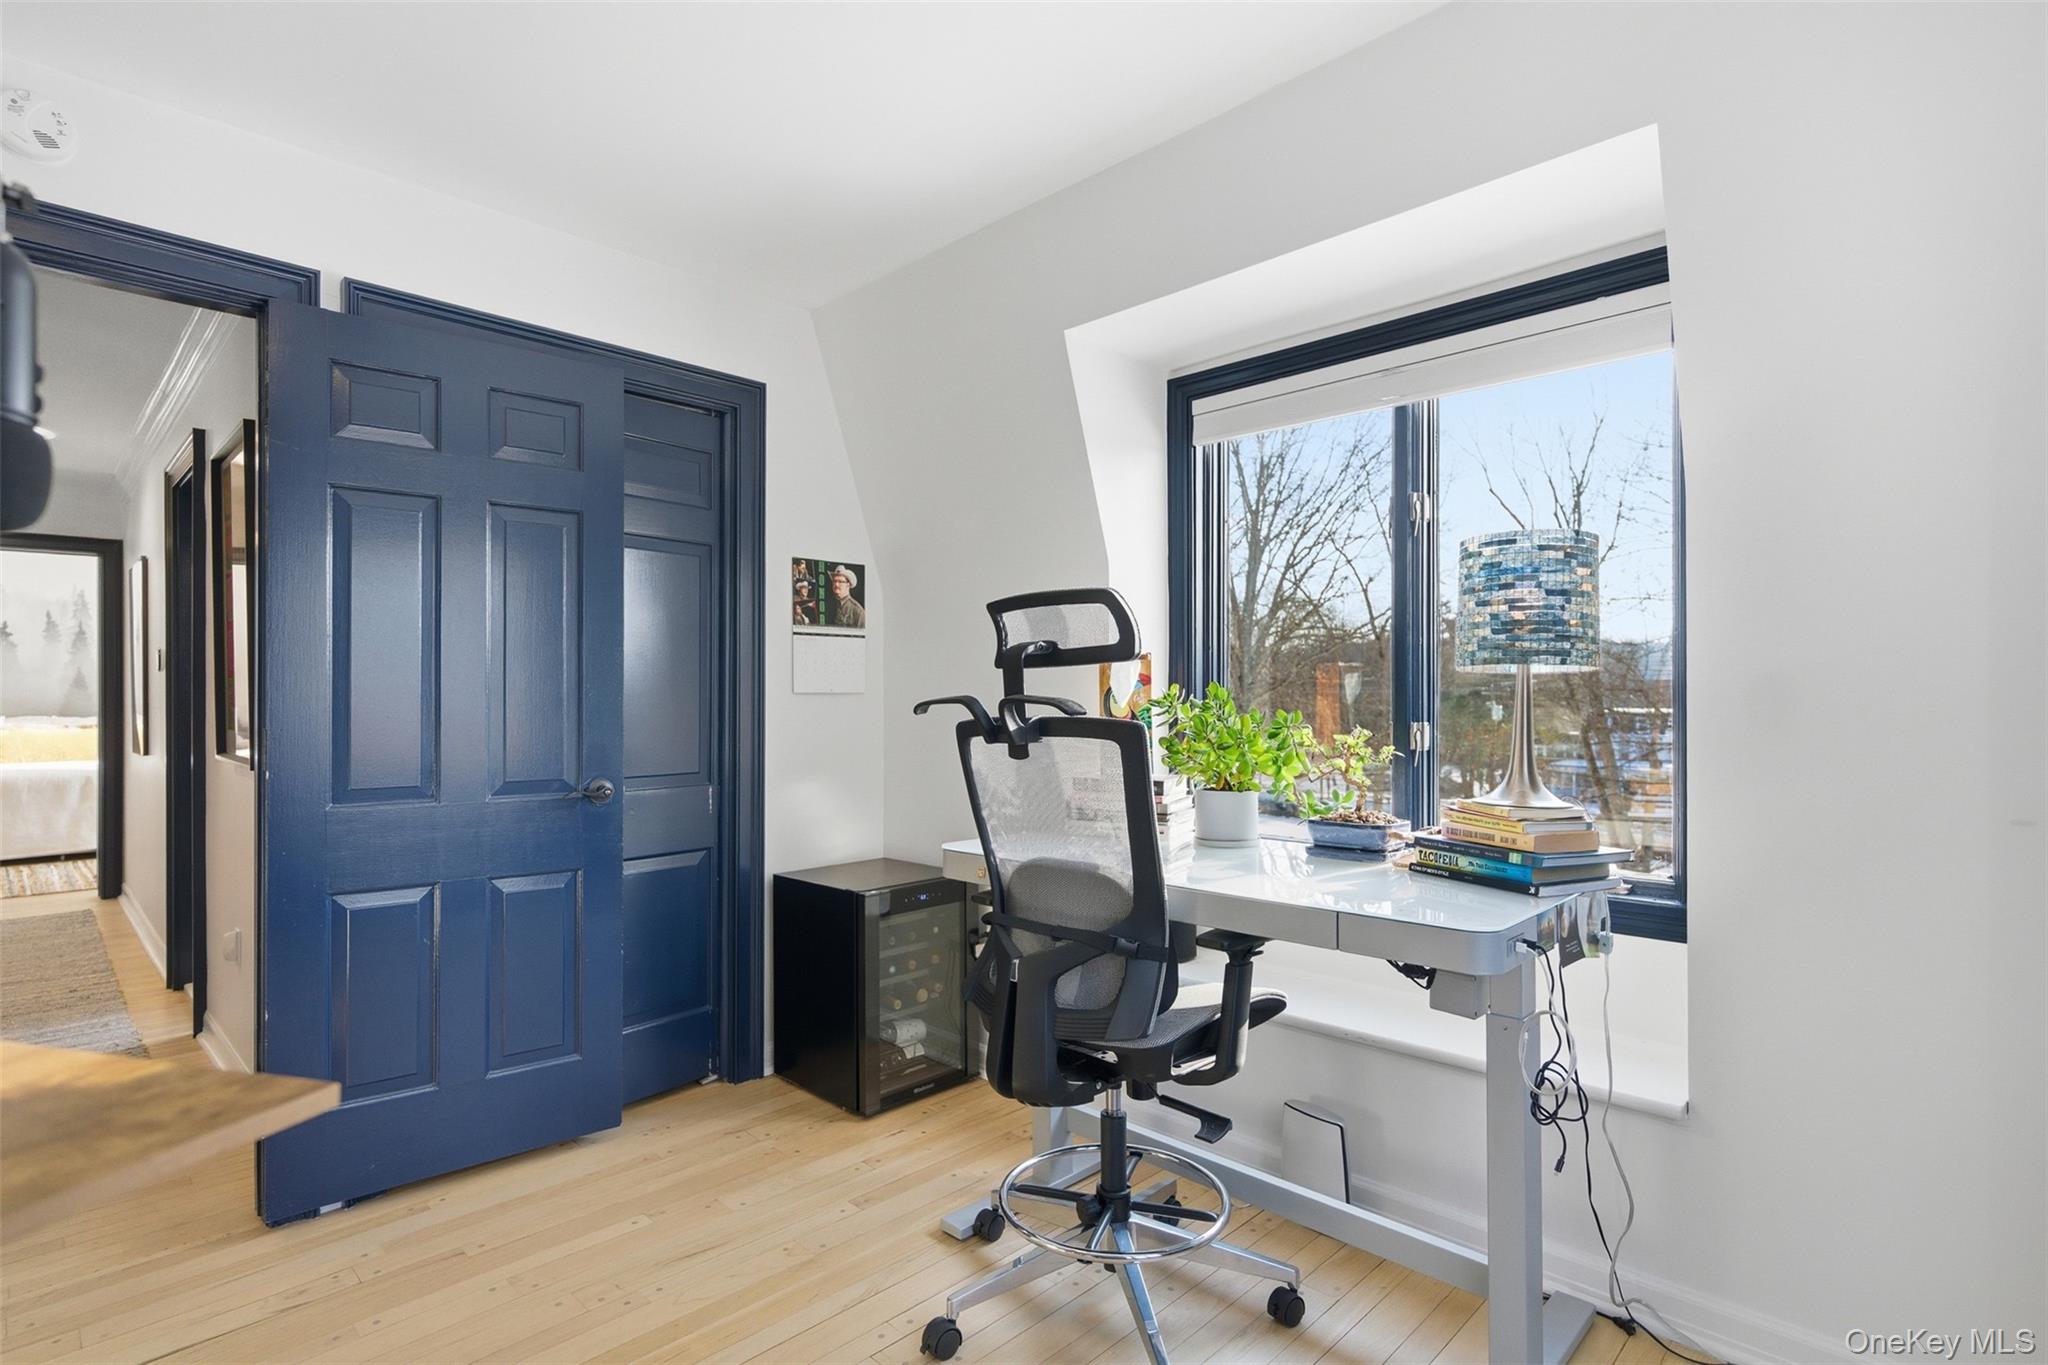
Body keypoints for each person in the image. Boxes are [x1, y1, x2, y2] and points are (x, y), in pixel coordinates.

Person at [828, 564, 866, 629]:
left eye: (840, 581)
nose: (836, 584)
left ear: (848, 585)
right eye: (834, 581)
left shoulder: (857, 611)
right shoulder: (830, 605)